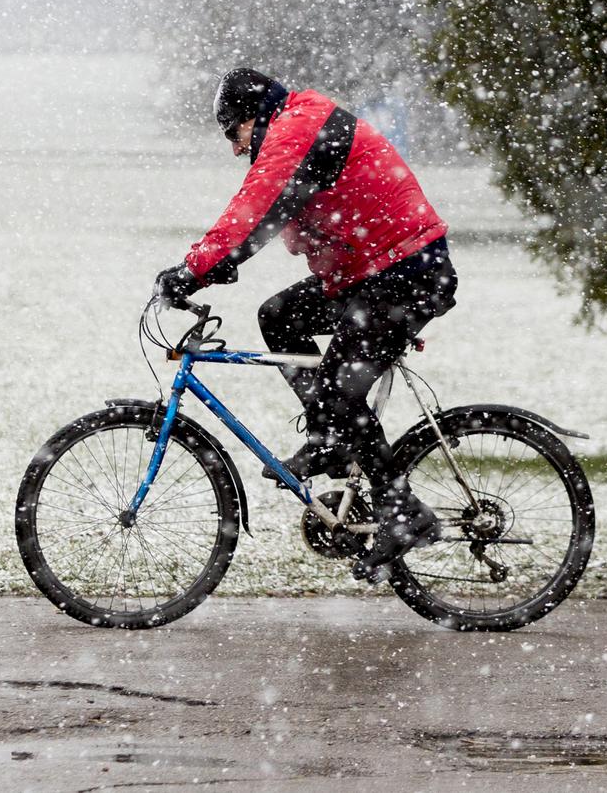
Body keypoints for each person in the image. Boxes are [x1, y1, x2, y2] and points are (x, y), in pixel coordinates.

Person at [154, 67, 457, 582]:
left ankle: (402, 512)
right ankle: (333, 438)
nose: (233, 147)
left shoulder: (297, 128)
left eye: (233, 132)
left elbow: (255, 208)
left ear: (255, 115)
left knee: (340, 393)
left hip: (405, 273)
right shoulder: (293, 129)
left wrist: (195, 269)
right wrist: (221, 264)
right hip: (371, 274)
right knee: (279, 315)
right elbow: (271, 217)